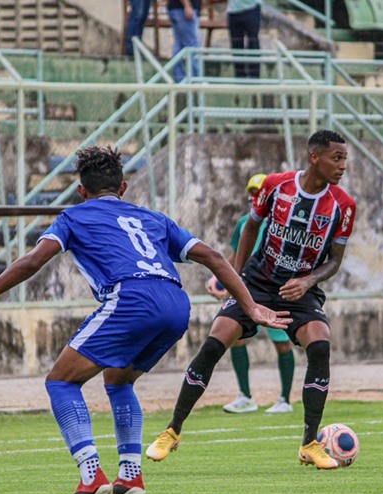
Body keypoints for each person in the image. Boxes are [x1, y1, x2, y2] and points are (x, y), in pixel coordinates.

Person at [0, 145, 289, 494]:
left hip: (131, 297)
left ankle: (91, 475)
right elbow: (214, 257)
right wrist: (249, 306)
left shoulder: (73, 216)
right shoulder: (154, 218)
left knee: (60, 381)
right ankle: (130, 475)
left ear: (81, 190)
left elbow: (32, 261)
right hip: (175, 302)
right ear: (123, 188)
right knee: (118, 379)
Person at [146, 130, 357, 470]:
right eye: (337, 158)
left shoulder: (343, 206)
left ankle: (310, 444)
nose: (342, 165)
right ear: (314, 157)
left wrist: (308, 280)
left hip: (300, 291)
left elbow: (334, 260)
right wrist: (235, 281)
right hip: (256, 282)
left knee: (320, 346)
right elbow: (249, 230)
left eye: (345, 159)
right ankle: (172, 431)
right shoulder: (276, 186)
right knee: (214, 343)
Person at [205, 173, 295, 414]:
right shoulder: (246, 222)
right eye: (252, 194)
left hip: (276, 288)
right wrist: (221, 280)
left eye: (259, 193)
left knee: (282, 343)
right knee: (237, 338)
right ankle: (245, 396)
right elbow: (236, 255)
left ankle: (285, 399)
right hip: (248, 287)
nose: (255, 198)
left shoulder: (285, 223)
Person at [227, 0, 262, 78]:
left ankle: (255, 80)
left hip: (252, 8)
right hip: (233, 11)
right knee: (236, 47)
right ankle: (240, 80)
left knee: (253, 45)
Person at [168, 0, 201, 82]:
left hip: (177, 9)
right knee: (192, 45)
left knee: (179, 44)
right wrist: (187, 5)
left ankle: (180, 79)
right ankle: (196, 79)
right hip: (183, 9)